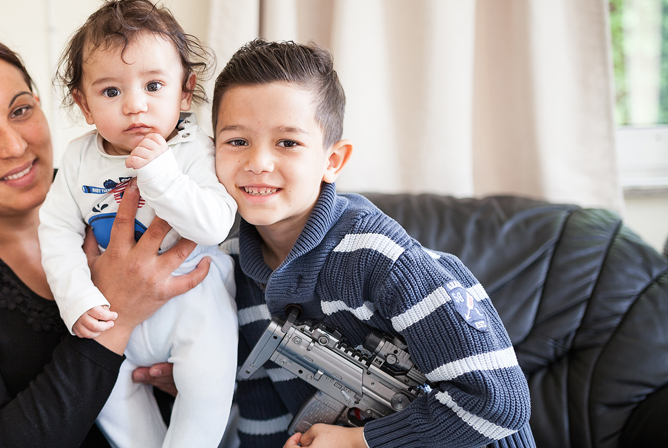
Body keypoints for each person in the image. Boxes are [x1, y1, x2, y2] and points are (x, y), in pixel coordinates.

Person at [0, 30, 210, 448]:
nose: (15, 146)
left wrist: (200, 381)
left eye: (20, 111)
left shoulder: (115, 188)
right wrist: (116, 320)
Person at [211, 39, 535, 448]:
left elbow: (499, 404)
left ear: (333, 161)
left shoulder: (381, 258)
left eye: (287, 142)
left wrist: (357, 442)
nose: (258, 162)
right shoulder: (229, 264)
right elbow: (261, 405)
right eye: (236, 141)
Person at [38, 0, 238, 448]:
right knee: (105, 394)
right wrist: (77, 298)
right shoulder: (76, 159)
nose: (134, 106)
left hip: (194, 302)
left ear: (184, 91)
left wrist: (159, 173)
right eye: (111, 91)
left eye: (153, 86)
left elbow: (213, 226)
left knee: (207, 389)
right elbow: (55, 231)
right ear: (84, 105)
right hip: (111, 312)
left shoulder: (193, 150)